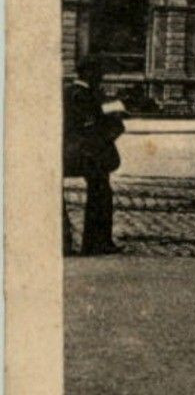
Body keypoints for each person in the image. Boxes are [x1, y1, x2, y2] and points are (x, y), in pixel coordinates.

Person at [64, 57, 125, 256]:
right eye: (98, 73)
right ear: (89, 73)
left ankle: (95, 242)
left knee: (101, 192)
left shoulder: (72, 92)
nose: (101, 77)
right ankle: (96, 243)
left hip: (79, 152)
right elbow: (89, 127)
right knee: (100, 194)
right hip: (87, 154)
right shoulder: (82, 95)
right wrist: (114, 123)